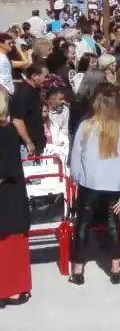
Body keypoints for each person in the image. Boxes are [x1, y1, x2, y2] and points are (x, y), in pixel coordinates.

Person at [67, 84, 120, 285]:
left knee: (83, 225)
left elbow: (76, 158)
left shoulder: (86, 127)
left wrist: (77, 179)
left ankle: (78, 270)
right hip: (113, 186)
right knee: (113, 225)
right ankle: (115, 268)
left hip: (89, 184)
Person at [0, 89, 31, 305]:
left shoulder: (7, 132)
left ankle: (10, 289)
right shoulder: (9, 131)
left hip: (7, 194)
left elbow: (6, 168)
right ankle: (14, 288)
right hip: (10, 195)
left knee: (9, 244)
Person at [10, 62, 46, 156]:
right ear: (34, 76)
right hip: (26, 147)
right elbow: (17, 120)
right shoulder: (23, 94)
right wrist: (28, 142)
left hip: (38, 142)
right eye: (45, 77)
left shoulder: (36, 91)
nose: (47, 80)